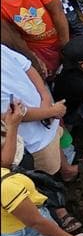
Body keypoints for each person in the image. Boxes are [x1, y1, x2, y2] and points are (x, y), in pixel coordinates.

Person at [1, 100, 83, 236]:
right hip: (28, 231)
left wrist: (12, 125)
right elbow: (37, 223)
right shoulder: (7, 186)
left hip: (10, 229)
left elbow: (4, 163)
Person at [0, 41, 72, 178]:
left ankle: (67, 170)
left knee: (58, 139)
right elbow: (13, 114)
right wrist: (51, 111)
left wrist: (45, 98)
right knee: (47, 171)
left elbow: (27, 67)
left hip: (47, 112)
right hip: (33, 139)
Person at [1, 0, 68, 76]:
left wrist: (65, 45)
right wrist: (32, 57)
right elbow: (13, 38)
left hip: (61, 35)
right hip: (35, 46)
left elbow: (58, 13)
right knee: (45, 73)